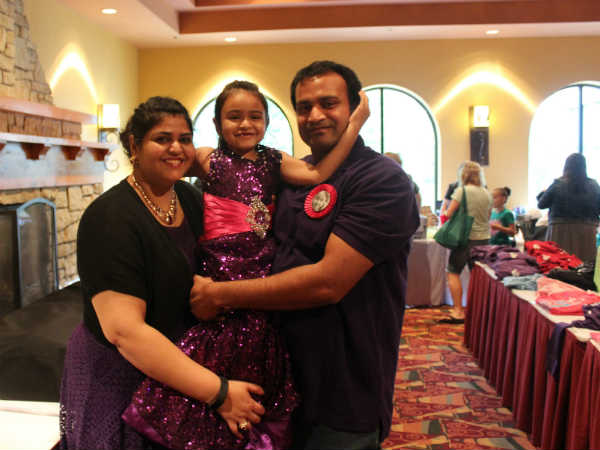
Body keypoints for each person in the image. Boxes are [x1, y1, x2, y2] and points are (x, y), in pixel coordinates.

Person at [122, 80, 370, 450]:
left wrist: (356, 125)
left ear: (267, 121)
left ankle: (248, 432)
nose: (245, 124)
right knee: (213, 354)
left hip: (260, 273)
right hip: (218, 271)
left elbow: (318, 175)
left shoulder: (275, 160)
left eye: (255, 116)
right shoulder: (206, 158)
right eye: (234, 117)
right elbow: (164, 164)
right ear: (217, 123)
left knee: (257, 353)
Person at [190, 60, 420, 450]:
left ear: (353, 109)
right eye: (304, 107)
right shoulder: (292, 173)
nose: (314, 115)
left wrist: (219, 294)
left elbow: (328, 283)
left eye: (329, 103)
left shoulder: (382, 180)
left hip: (343, 390)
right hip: (276, 378)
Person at [58, 97, 265, 450]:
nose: (176, 148)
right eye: (162, 139)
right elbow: (126, 333)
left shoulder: (187, 196)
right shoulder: (110, 218)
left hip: (180, 367)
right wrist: (218, 392)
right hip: (121, 375)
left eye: (185, 139)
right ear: (135, 145)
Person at [443, 161, 491, 322]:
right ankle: (479, 312)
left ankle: (458, 311)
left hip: (464, 239)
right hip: (484, 239)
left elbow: (449, 214)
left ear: (463, 175)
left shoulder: (461, 191)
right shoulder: (486, 193)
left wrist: (445, 212)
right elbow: (488, 217)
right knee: (477, 276)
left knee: (453, 272)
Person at [537, 153, 600, 264]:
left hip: (559, 231)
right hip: (587, 233)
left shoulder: (558, 184)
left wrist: (544, 191)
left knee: (559, 265)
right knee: (585, 267)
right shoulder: (594, 185)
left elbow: (541, 204)